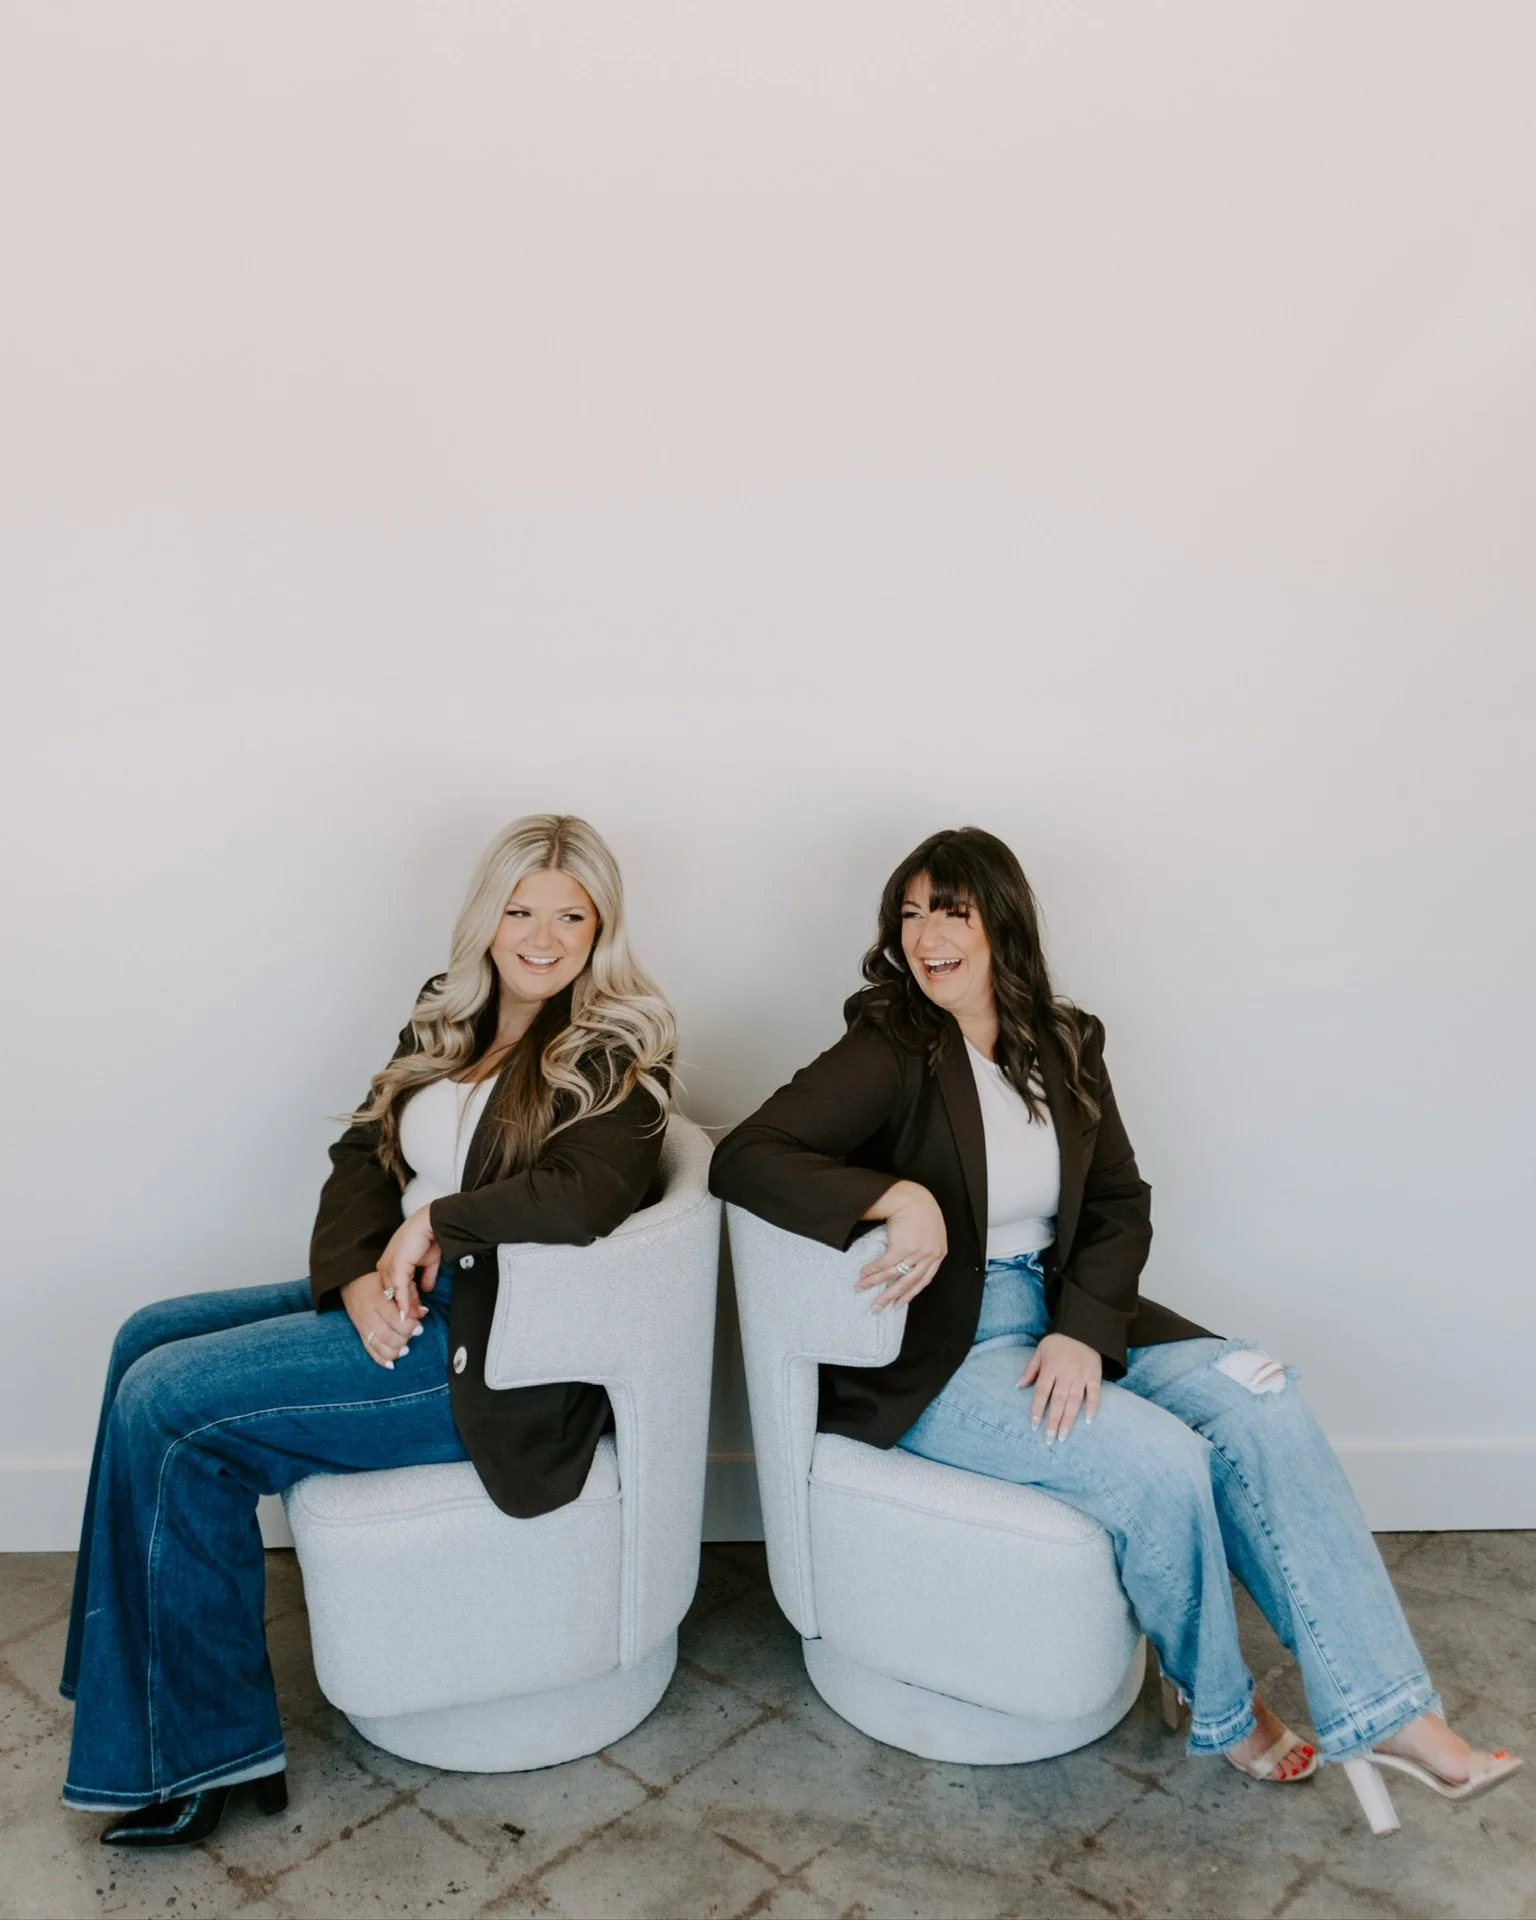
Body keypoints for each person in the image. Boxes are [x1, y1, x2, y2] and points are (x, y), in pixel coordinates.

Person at [709, 825, 1519, 1824]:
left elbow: (1118, 1200)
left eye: (949, 910)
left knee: (1260, 1397)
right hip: (946, 1353)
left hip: (1072, 1314)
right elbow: (744, 1156)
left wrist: (1083, 1332)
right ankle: (1225, 1708)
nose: (925, 935)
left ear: (1001, 920)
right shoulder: (891, 1049)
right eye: (909, 914)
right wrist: (896, 1197)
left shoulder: (1064, 1040)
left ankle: (1392, 1712)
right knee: (1160, 1461)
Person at [61, 814, 675, 1848]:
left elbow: (583, 1197)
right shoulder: (450, 1013)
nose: (541, 934)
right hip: (401, 1300)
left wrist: (437, 1219)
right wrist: (353, 1273)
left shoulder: (617, 1051)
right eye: (520, 908)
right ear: (488, 916)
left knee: (170, 1409)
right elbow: (361, 1152)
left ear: (601, 925)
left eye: (569, 914)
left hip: (495, 1350)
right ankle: (143, 1692)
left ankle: (199, 1752)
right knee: (145, 1338)